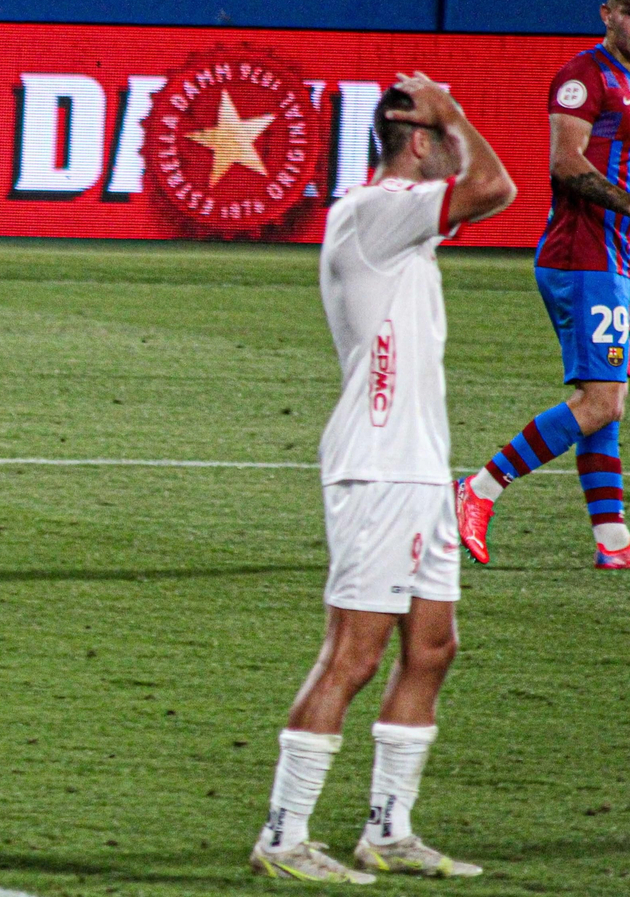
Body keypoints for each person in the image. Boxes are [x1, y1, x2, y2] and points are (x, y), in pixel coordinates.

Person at [249, 74, 515, 883]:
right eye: (441, 137)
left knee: (432, 649)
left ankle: (389, 829)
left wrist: (445, 119)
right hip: (377, 467)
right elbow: (495, 188)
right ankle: (283, 836)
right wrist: (456, 111)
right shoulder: (376, 211)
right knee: (352, 657)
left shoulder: (402, 225)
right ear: (421, 142)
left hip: (420, 467)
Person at [457, 0, 630, 569]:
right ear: (607, 15)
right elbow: (565, 162)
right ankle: (479, 489)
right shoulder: (586, 78)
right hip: (584, 255)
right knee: (603, 401)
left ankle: (613, 543)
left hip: (613, 259)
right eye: (627, 12)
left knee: (604, 397)